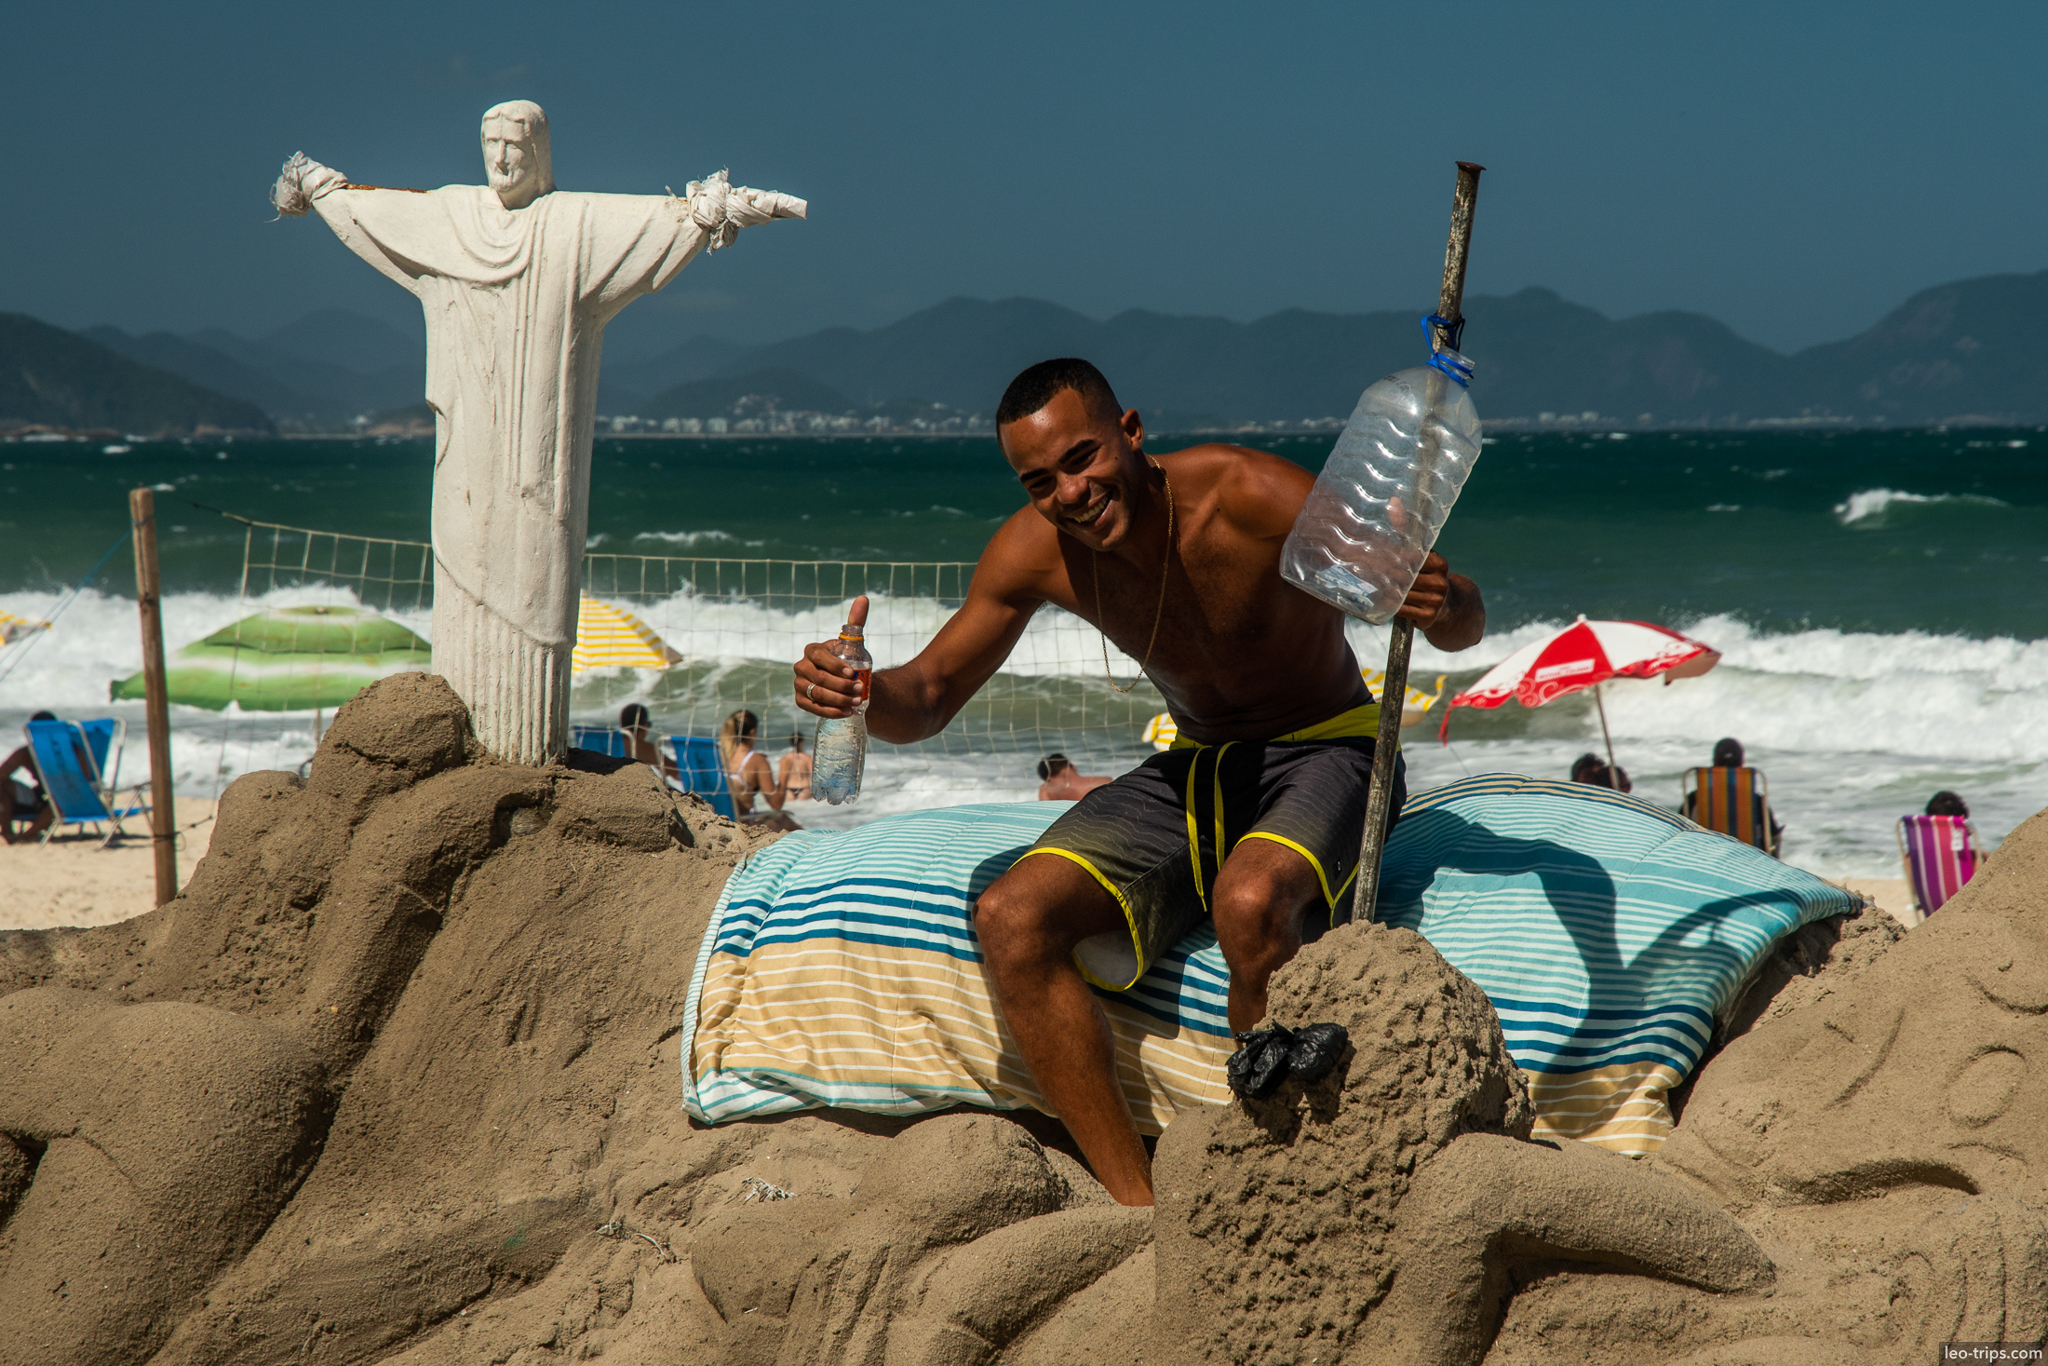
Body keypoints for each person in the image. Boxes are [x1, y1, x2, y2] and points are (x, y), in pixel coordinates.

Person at [793, 357, 1485, 1204]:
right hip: (1198, 765)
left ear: (1131, 433)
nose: (1071, 494)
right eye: (1040, 480)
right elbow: (929, 697)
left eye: (1082, 458)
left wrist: (1440, 601)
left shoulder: (1247, 495)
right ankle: (1135, 1207)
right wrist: (862, 693)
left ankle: (1286, 1168)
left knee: (1248, 903)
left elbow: (1449, 616)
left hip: (1331, 749)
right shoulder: (1034, 551)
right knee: (1010, 918)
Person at [1684, 737, 1784, 856]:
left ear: (1714, 761)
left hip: (1705, 860)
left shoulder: (1696, 798)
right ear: (1741, 762)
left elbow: (1677, 827)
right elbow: (1772, 836)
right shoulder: (1756, 800)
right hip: (1748, 863)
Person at [719, 709, 799, 831]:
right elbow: (776, 804)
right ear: (752, 732)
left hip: (719, 821)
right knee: (784, 820)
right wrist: (784, 772)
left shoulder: (719, 756)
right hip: (745, 824)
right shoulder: (756, 760)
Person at [0, 711, 57, 844]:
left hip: (66, 795)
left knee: (59, 802)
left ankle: (24, 837)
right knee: (3, 785)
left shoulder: (69, 752)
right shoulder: (27, 753)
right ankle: (8, 832)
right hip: (40, 795)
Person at [619, 703, 679, 782]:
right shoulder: (642, 747)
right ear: (643, 725)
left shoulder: (611, 742)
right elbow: (675, 773)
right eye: (648, 724)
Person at [1037, 753, 1112, 801]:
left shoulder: (1046, 789)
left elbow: (1045, 815)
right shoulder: (1105, 781)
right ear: (1073, 766)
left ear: (1049, 778)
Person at [779, 732, 815, 801]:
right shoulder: (807, 757)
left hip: (789, 789)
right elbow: (813, 776)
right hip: (804, 788)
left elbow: (781, 776)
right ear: (801, 743)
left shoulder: (785, 758)